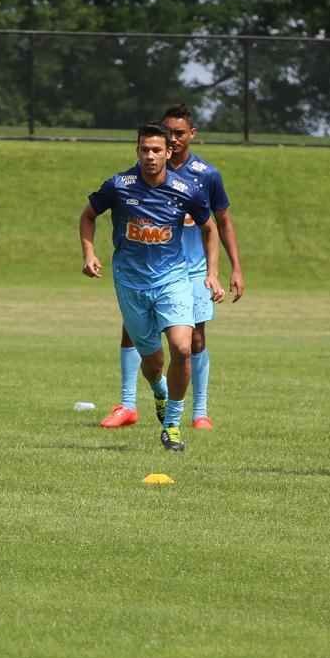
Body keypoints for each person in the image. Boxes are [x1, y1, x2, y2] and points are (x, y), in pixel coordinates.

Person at [80, 123, 224, 451]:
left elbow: (210, 228)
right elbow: (88, 215)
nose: (150, 156)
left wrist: (213, 273)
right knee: (153, 361)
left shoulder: (185, 189)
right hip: (130, 282)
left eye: (157, 150)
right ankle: (159, 391)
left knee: (183, 347)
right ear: (137, 151)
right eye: (144, 149)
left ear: (168, 152)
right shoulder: (119, 186)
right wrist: (89, 252)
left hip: (172, 279)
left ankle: (172, 425)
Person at [99, 104, 244, 431]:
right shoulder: (135, 179)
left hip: (190, 270)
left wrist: (232, 268)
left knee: (192, 340)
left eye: (180, 134)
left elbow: (221, 223)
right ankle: (128, 404)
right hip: (143, 269)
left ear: (192, 135)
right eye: (169, 134)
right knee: (132, 329)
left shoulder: (205, 176)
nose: (174, 140)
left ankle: (199, 411)